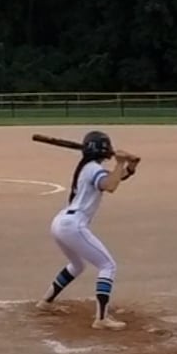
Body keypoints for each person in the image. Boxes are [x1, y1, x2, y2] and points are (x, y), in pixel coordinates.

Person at [37, 130, 140, 330]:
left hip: (61, 223)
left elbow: (113, 179)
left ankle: (45, 302)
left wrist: (131, 167)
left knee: (77, 266)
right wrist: (119, 162)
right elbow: (110, 186)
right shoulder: (93, 169)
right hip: (73, 225)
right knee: (108, 266)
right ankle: (101, 318)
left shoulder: (88, 168)